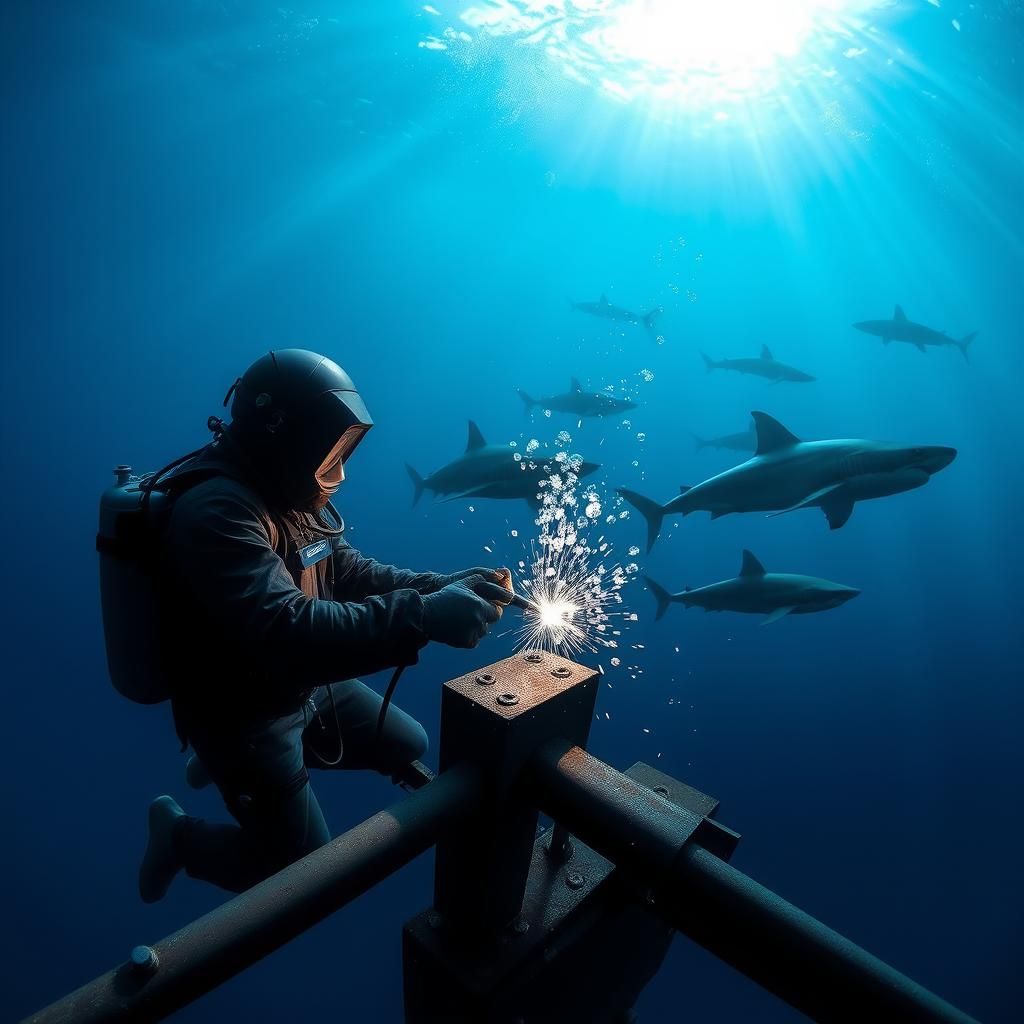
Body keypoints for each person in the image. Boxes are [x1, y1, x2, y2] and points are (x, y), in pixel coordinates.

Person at [139, 349, 511, 901]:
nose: (338, 470)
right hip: (243, 711)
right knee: (306, 876)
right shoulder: (218, 513)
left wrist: (438, 585)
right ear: (283, 436)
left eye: (343, 449)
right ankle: (179, 837)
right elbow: (289, 629)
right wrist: (425, 615)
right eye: (329, 450)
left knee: (408, 742)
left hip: (299, 683)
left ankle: (228, 772)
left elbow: (345, 569)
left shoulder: (284, 487)